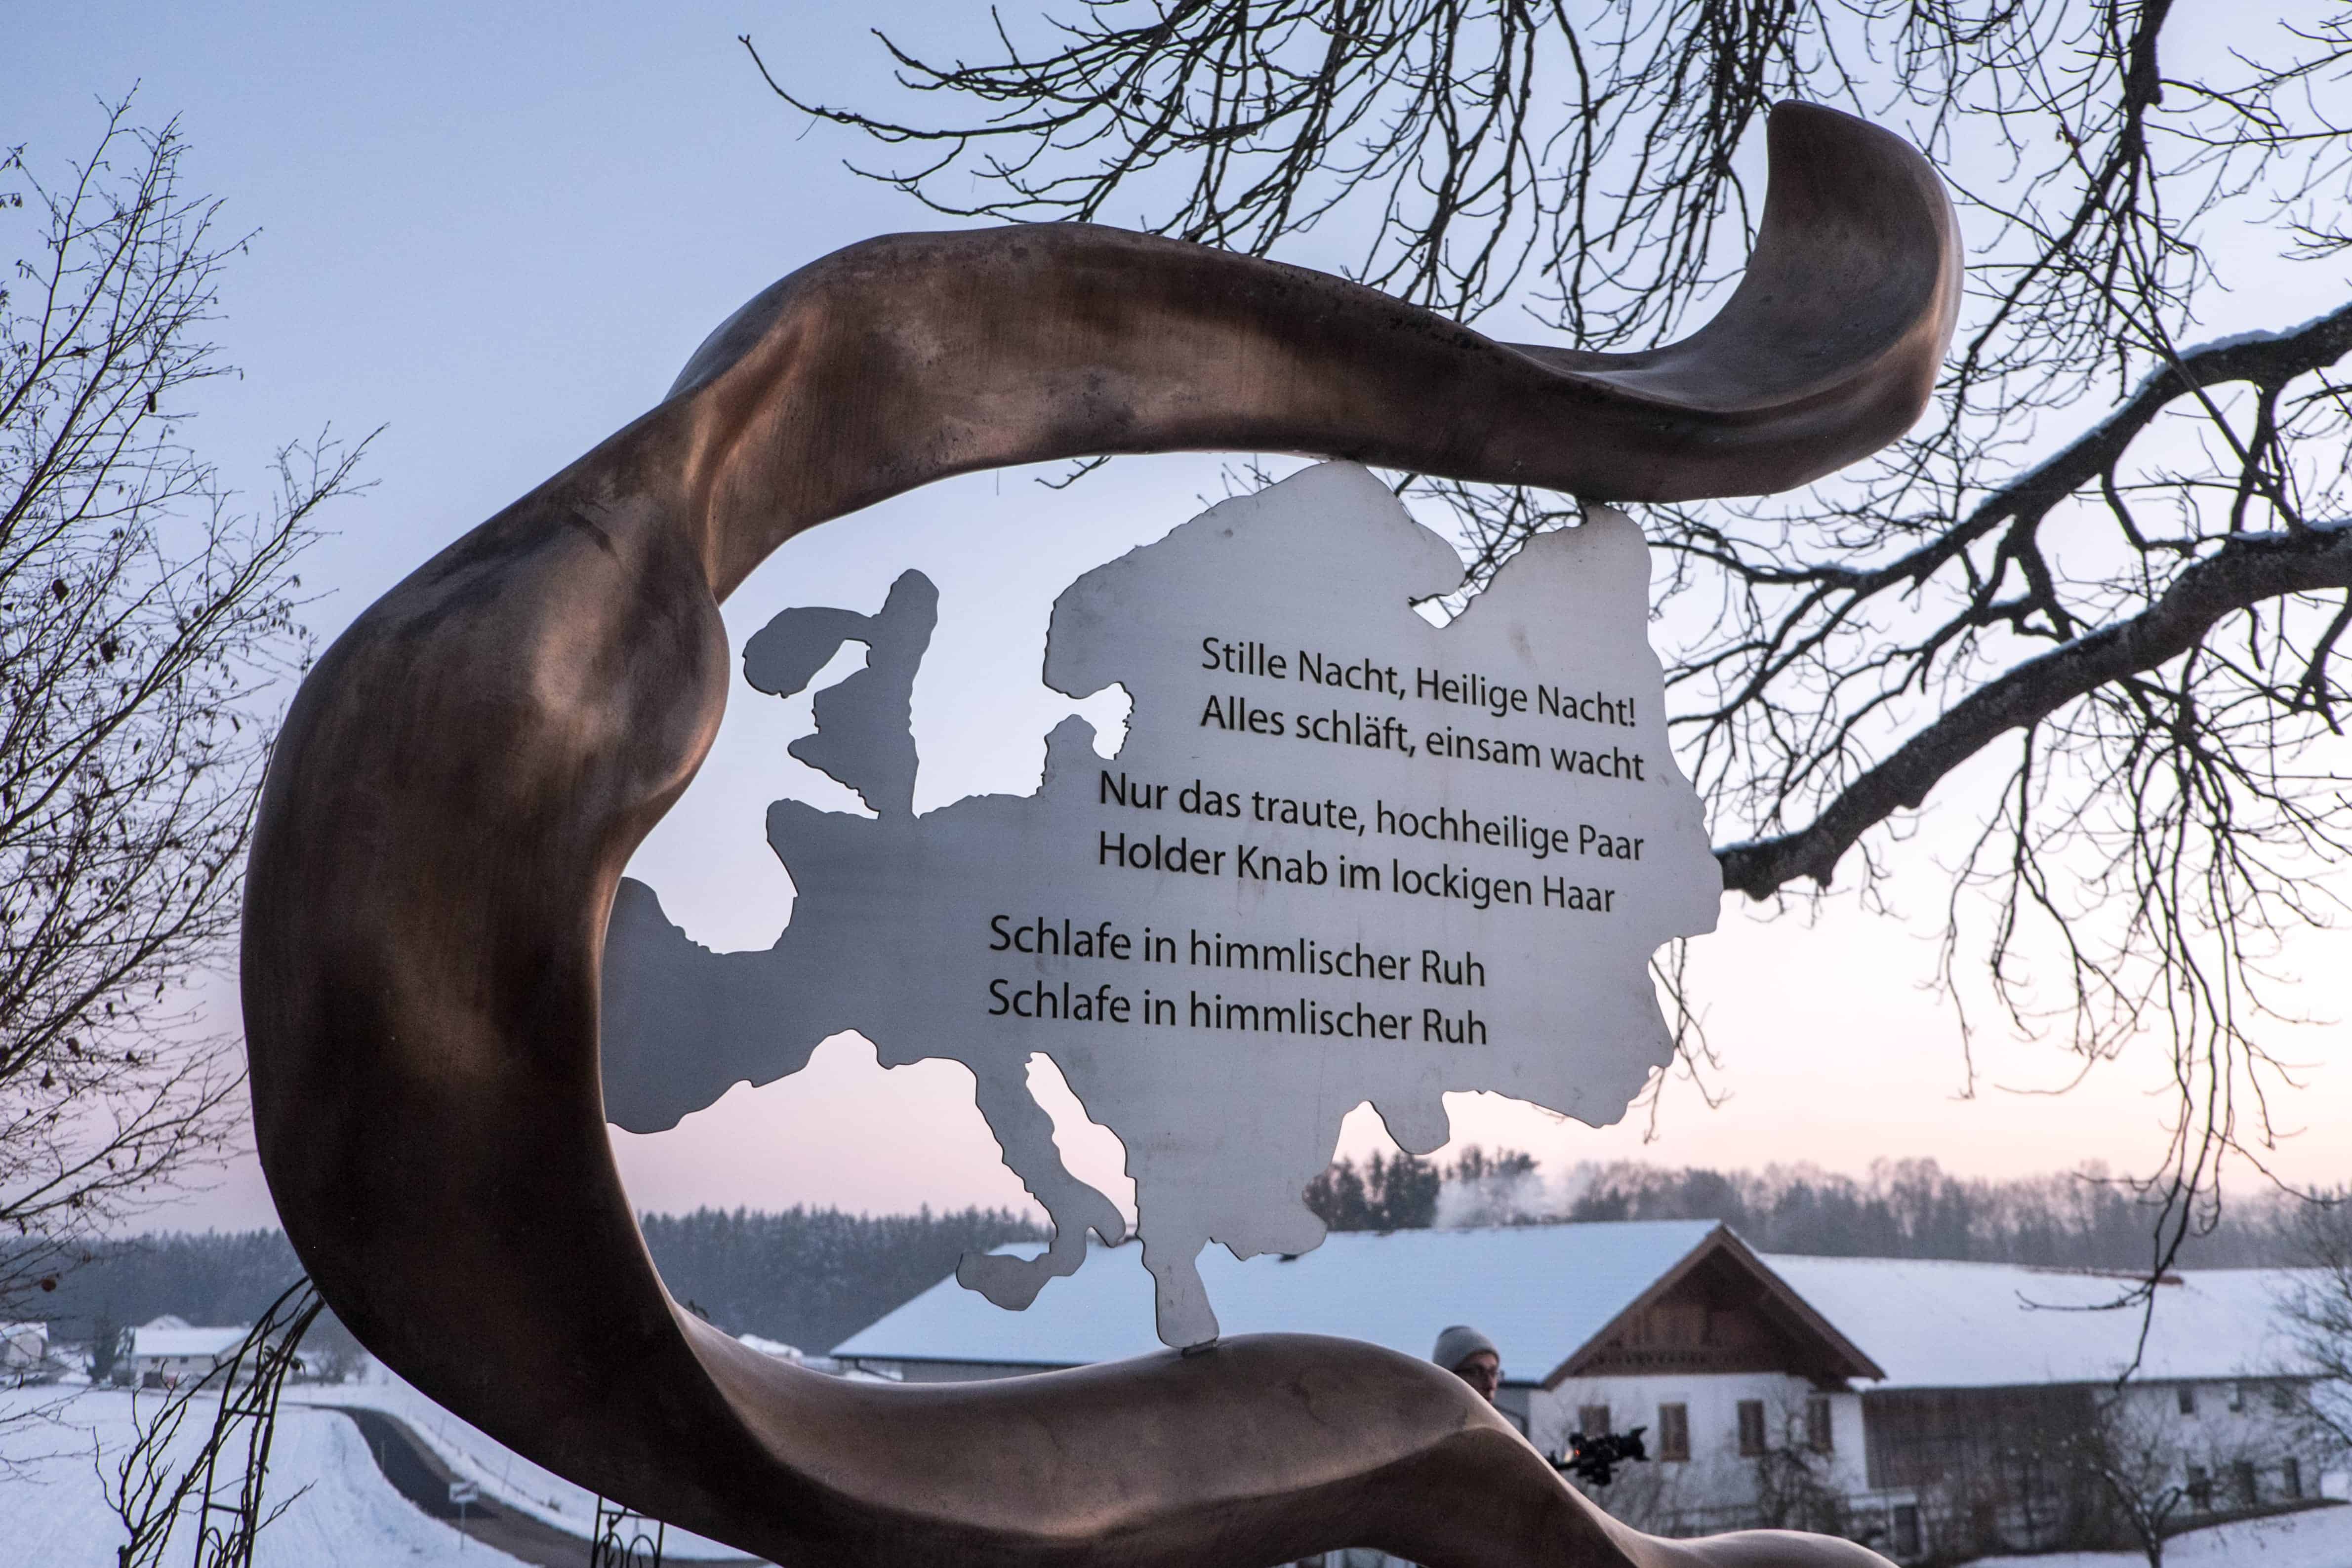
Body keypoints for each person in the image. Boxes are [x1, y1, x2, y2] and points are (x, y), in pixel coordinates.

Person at [1431, 1324, 1500, 1404]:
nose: (1490, 1385)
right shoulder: (1422, 1415)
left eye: (1493, 1373)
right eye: (1475, 1372)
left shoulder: (1502, 1416)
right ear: (1447, 1377)